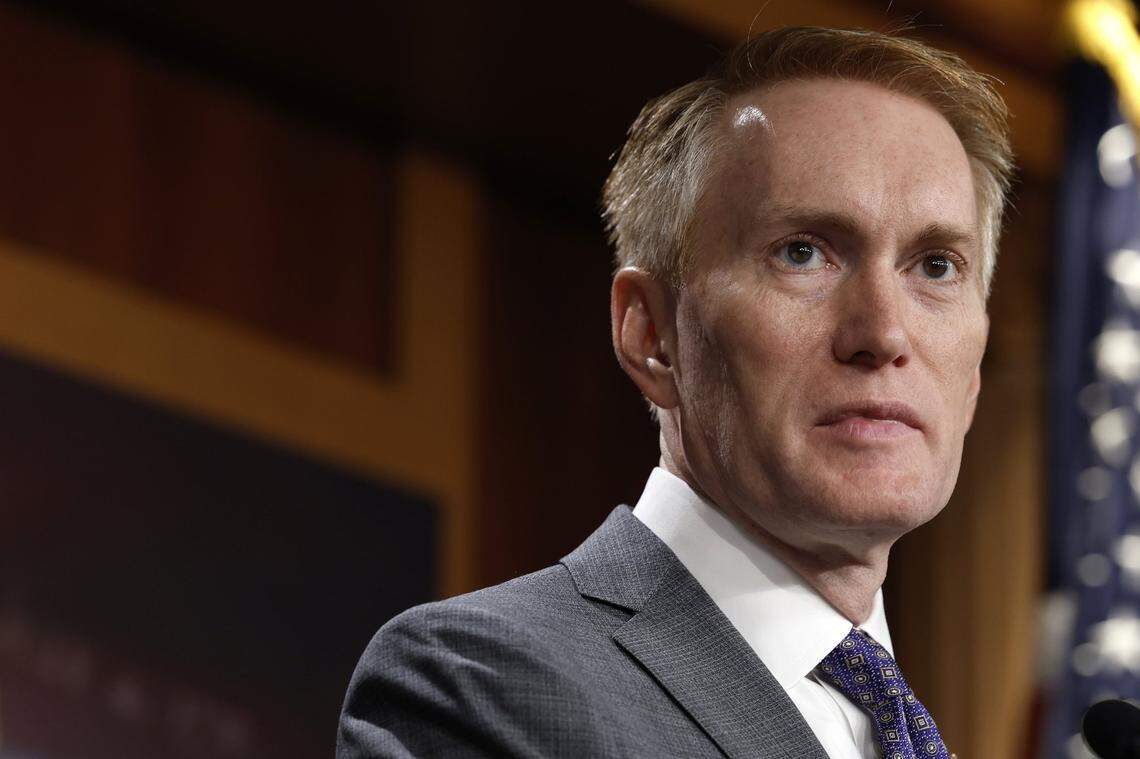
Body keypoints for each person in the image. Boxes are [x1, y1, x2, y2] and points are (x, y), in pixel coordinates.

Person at [337, 26, 1012, 759]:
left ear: (973, 373)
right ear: (652, 333)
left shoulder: (906, 728)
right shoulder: (482, 683)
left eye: (937, 266)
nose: (883, 332)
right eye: (802, 252)